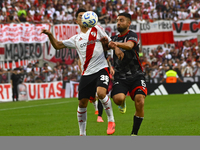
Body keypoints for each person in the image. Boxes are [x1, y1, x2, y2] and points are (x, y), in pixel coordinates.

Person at [41, 8, 122, 136]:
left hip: (101, 69)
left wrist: (115, 48)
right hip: (87, 73)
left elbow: (109, 42)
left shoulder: (97, 29)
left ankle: (111, 120)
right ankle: (82, 134)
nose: (83, 18)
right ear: (77, 21)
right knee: (82, 103)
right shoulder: (76, 39)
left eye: (85, 15)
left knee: (101, 93)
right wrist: (50, 35)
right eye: (80, 16)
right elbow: (57, 45)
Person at [101, 12, 148, 136]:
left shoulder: (132, 35)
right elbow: (104, 49)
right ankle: (122, 102)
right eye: (117, 20)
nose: (118, 22)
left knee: (140, 101)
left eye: (121, 20)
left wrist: (115, 45)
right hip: (120, 77)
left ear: (128, 23)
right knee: (118, 99)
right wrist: (108, 44)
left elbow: (129, 46)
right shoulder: (113, 38)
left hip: (136, 74)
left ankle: (134, 134)